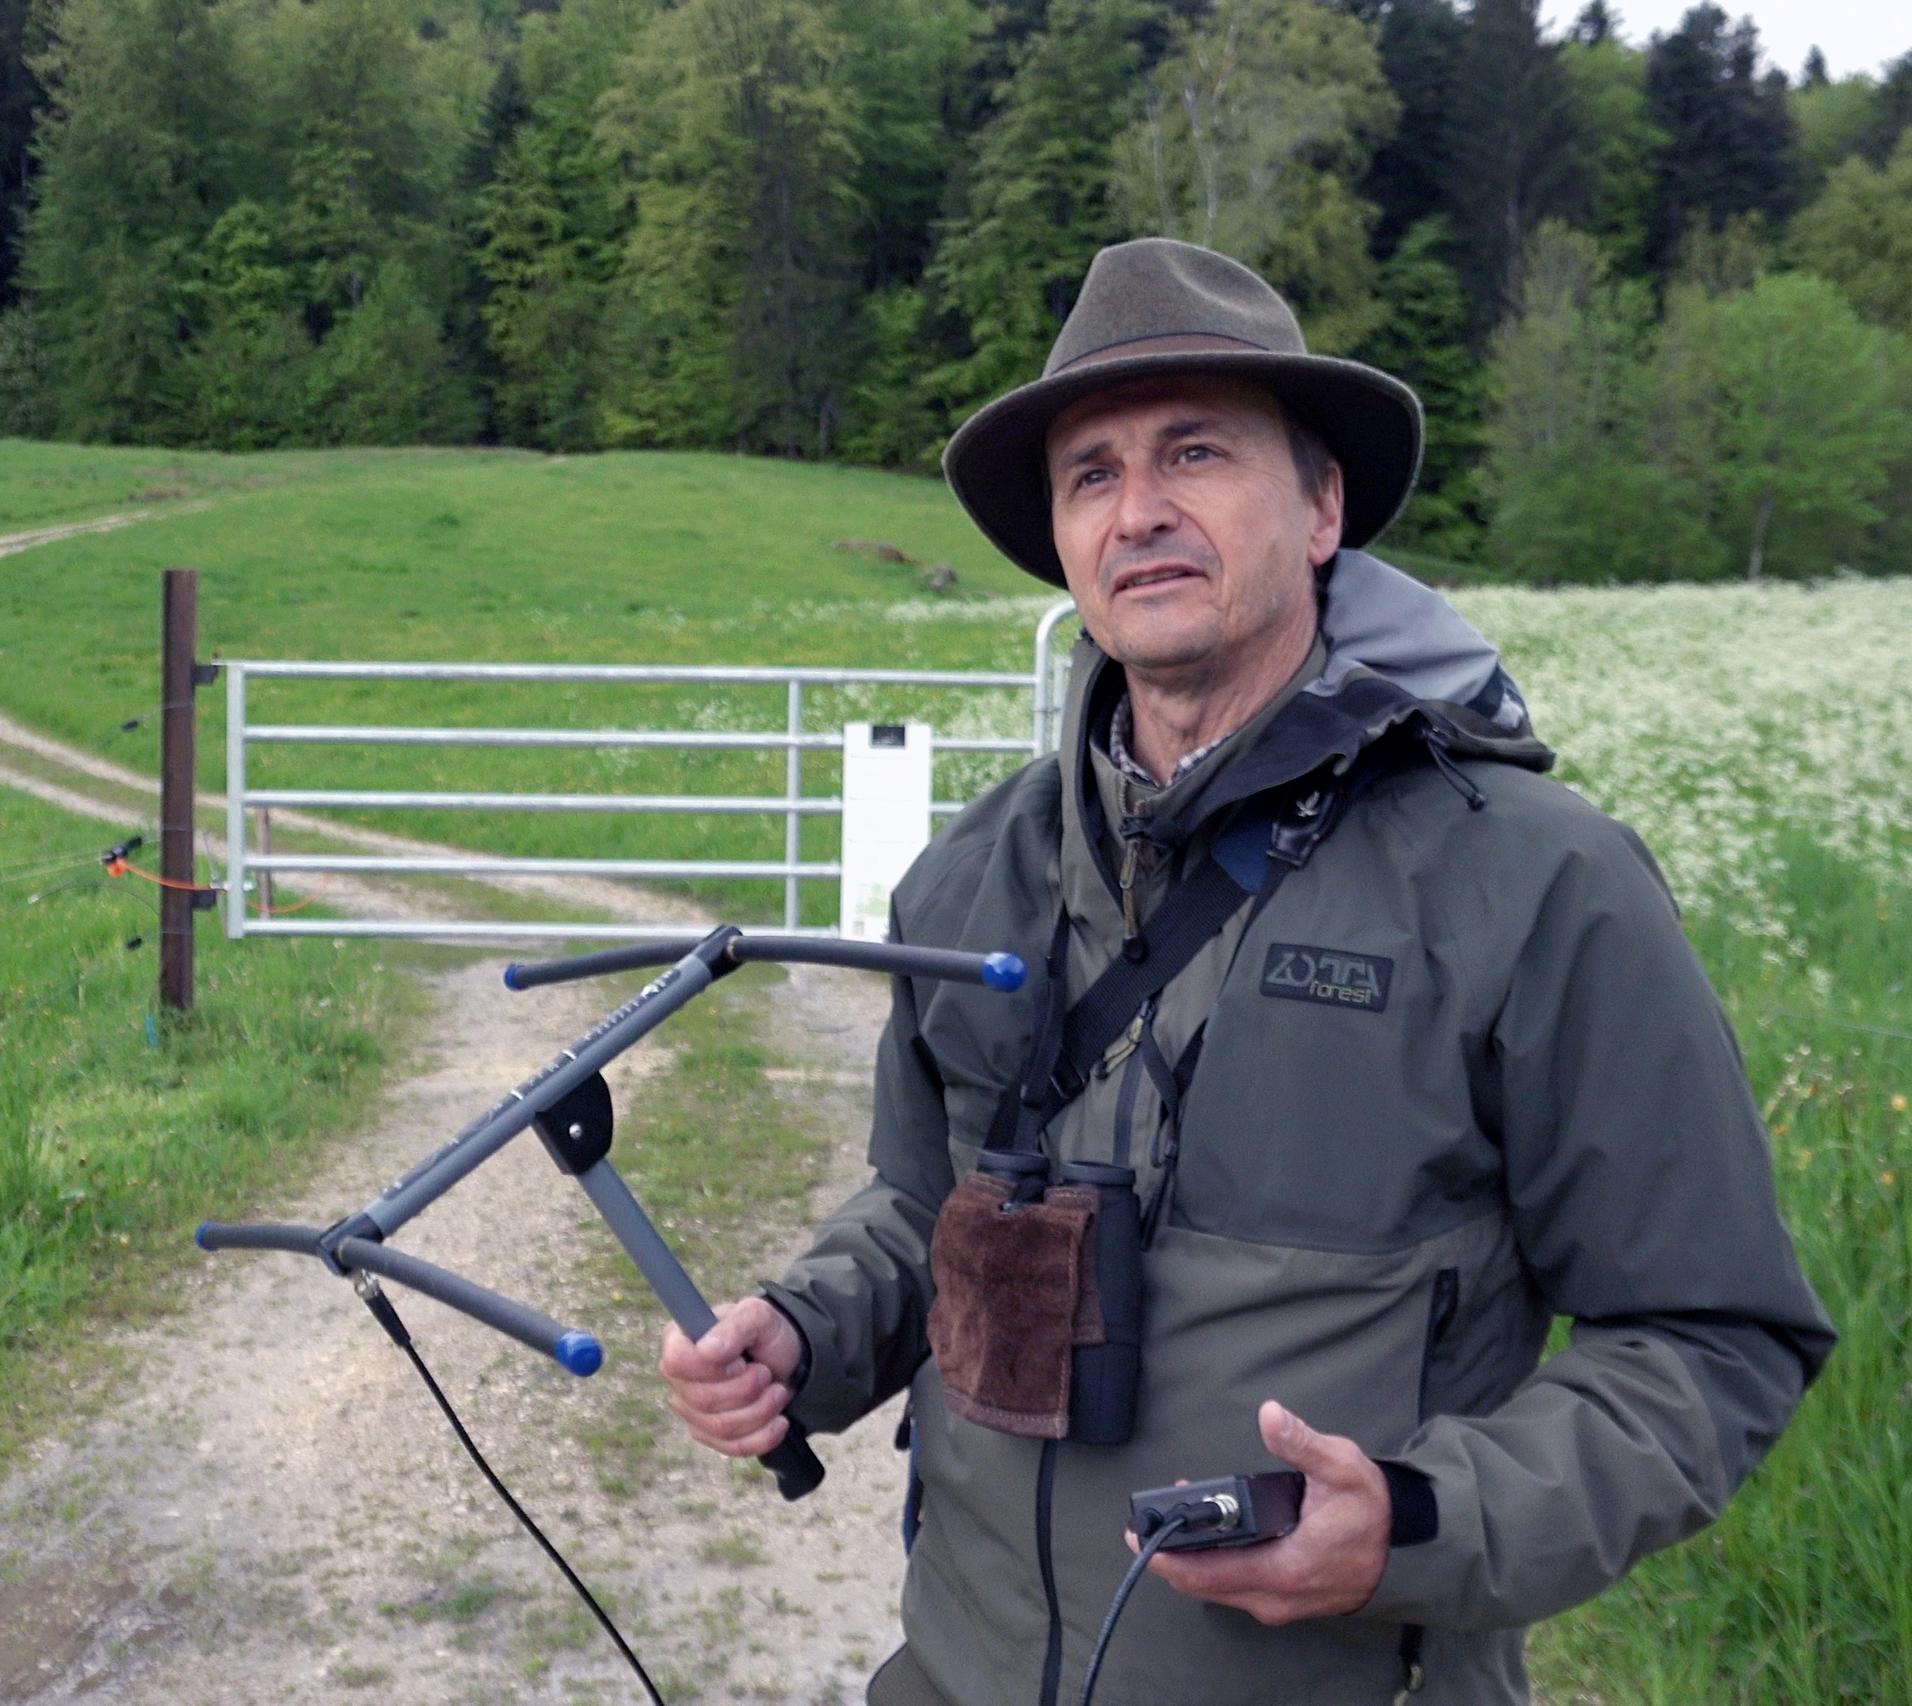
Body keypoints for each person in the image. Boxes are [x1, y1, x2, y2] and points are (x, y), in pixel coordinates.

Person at [657, 238, 1834, 1705]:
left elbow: (1713, 1338)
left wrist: (1415, 1520)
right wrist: (812, 1322)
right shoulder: (979, 871)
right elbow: (923, 1205)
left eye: (1195, 452)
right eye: (1090, 473)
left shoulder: (1535, 881)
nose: (1138, 510)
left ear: (1323, 503)